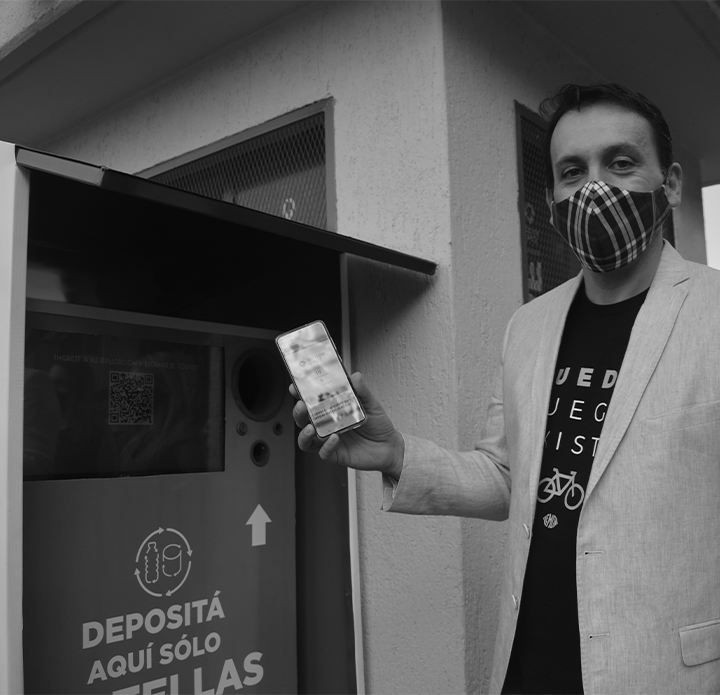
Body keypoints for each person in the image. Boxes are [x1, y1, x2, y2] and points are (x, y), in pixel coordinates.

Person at [290, 82, 720, 695]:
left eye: (621, 162)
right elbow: (507, 478)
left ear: (670, 183)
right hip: (528, 666)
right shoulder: (529, 325)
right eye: (572, 172)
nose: (594, 188)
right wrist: (396, 455)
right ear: (552, 198)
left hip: (661, 674)